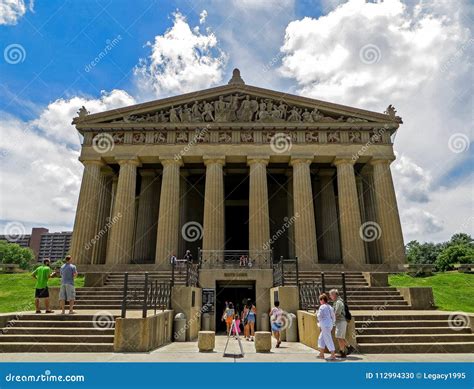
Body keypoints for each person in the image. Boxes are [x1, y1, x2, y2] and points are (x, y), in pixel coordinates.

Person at [329, 289, 355, 358]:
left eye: (331, 295)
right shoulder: (337, 302)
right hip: (339, 322)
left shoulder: (338, 302)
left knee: (339, 337)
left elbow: (337, 313)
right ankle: (348, 348)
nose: (330, 296)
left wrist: (331, 317)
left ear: (334, 295)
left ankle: (343, 352)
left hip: (341, 321)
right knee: (340, 337)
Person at [317, 293, 336, 360]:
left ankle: (333, 354)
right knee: (321, 338)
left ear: (322, 300)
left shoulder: (322, 307)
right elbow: (333, 316)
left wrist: (319, 322)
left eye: (320, 300)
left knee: (328, 339)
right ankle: (321, 354)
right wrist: (332, 323)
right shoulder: (330, 307)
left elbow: (319, 315)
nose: (320, 301)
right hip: (329, 324)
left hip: (324, 325)